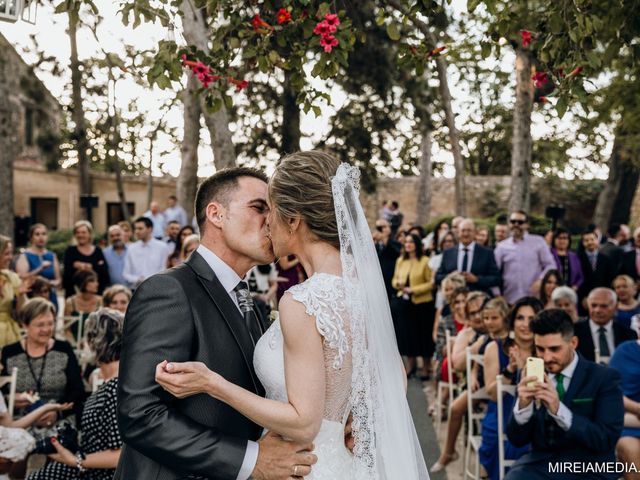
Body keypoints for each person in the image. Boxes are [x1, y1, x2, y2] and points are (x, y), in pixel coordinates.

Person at [151, 153, 429, 479]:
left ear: (294, 220)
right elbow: (395, 374)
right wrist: (357, 418)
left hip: (303, 467)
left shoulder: (302, 301)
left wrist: (212, 383)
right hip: (342, 463)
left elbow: (303, 421)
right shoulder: (361, 288)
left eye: (271, 209)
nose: (267, 222)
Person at [115, 166, 318, 480]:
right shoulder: (168, 291)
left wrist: (332, 421)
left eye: (274, 212)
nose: (271, 221)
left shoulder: (250, 301)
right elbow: (141, 415)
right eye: (259, 207)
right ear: (216, 214)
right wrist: (252, 460)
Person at [505, 309, 624, 480]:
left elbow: (605, 439)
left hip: (591, 466)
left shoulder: (604, 378)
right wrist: (524, 406)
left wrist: (558, 409)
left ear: (573, 343)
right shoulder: (530, 374)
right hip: (541, 464)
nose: (546, 357)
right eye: (540, 349)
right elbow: (517, 440)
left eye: (554, 349)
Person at [27, 308, 125, 480]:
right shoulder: (114, 383)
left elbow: (121, 455)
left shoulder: (116, 387)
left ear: (94, 342)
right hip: (90, 468)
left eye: (85, 339)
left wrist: (75, 460)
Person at [1, 299, 85, 429]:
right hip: (19, 423)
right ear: (25, 325)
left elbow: (77, 390)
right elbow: (1, 391)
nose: (46, 329)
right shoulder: (9, 352)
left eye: (50, 323)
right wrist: (9, 399)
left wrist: (57, 412)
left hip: (59, 420)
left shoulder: (63, 349)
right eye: (40, 325)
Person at [431, 291, 489, 472]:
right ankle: (449, 452)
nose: (478, 316)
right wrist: (476, 345)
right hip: (475, 385)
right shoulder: (467, 334)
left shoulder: (497, 329)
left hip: (496, 383)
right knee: (456, 407)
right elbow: (457, 364)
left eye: (481, 311)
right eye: (473, 313)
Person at [479, 297, 531, 480]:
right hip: (502, 411)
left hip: (536, 416)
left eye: (532, 320)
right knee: (502, 440)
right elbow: (492, 394)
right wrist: (510, 370)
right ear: (512, 321)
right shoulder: (495, 348)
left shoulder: (545, 350)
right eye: (520, 318)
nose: (526, 325)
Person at [392, 233, 435, 380]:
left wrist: (414, 290)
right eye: (406, 242)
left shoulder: (425, 261)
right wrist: (399, 285)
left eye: (411, 242)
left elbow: (431, 283)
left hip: (422, 303)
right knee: (408, 335)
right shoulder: (400, 261)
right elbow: (394, 280)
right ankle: (410, 365)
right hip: (405, 303)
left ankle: (426, 366)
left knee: (423, 335)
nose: (408, 244)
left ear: (417, 244)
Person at [494, 211, 556, 304]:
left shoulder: (538, 242)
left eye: (520, 222)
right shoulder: (502, 247)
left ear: (527, 225)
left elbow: (551, 265)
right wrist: (497, 295)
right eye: (513, 221)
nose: (516, 225)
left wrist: (541, 280)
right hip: (510, 299)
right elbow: (494, 272)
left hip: (534, 298)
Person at [435, 218, 501, 295]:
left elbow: (496, 279)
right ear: (458, 233)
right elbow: (437, 277)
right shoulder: (448, 253)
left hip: (478, 299)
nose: (466, 234)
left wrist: (477, 279)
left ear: (475, 233)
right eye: (463, 231)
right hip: (454, 300)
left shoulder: (486, 253)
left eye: (469, 231)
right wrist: (451, 277)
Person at [609, 327, 640, 480]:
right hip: (630, 422)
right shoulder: (625, 351)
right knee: (630, 448)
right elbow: (613, 393)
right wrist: (638, 408)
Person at [573, 288, 637, 362]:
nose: (597, 310)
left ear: (615, 307)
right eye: (593, 305)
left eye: (604, 306)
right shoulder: (574, 332)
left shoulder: (629, 334)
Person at [15, 224, 61, 310]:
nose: (41, 237)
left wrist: (50, 283)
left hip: (50, 297)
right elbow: (21, 276)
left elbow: (58, 280)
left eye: (44, 234)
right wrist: (39, 269)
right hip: (32, 297)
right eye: (37, 234)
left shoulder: (52, 256)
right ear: (31, 237)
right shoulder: (25, 256)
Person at [62, 221, 110, 296]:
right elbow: (66, 277)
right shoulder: (70, 251)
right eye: (78, 232)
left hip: (96, 295)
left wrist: (91, 267)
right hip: (74, 295)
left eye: (83, 232)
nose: (80, 235)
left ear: (90, 234)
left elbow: (104, 275)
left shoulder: (98, 251)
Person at [122, 217, 168, 289]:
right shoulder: (131, 248)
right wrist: (138, 279)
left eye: (140, 228)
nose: (137, 231)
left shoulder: (162, 247)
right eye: (135, 229)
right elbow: (126, 274)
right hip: (135, 290)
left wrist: (148, 280)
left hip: (156, 289)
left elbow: (164, 270)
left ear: (150, 229)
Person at [0, 235, 29, 348]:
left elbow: (22, 312)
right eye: (6, 253)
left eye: (11, 253)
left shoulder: (12, 277)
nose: (10, 257)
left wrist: (21, 296)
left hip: (9, 332)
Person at [577, 229, 611, 311]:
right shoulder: (577, 258)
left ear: (597, 240)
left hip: (602, 297)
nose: (590, 242)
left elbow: (608, 279)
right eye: (586, 240)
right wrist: (582, 297)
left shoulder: (606, 258)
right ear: (582, 242)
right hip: (583, 299)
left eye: (592, 239)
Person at [373, 218, 401, 299]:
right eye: (379, 228)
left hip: (390, 280)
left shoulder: (395, 243)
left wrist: (385, 238)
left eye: (384, 227)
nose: (382, 230)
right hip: (377, 281)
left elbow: (395, 253)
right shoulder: (376, 244)